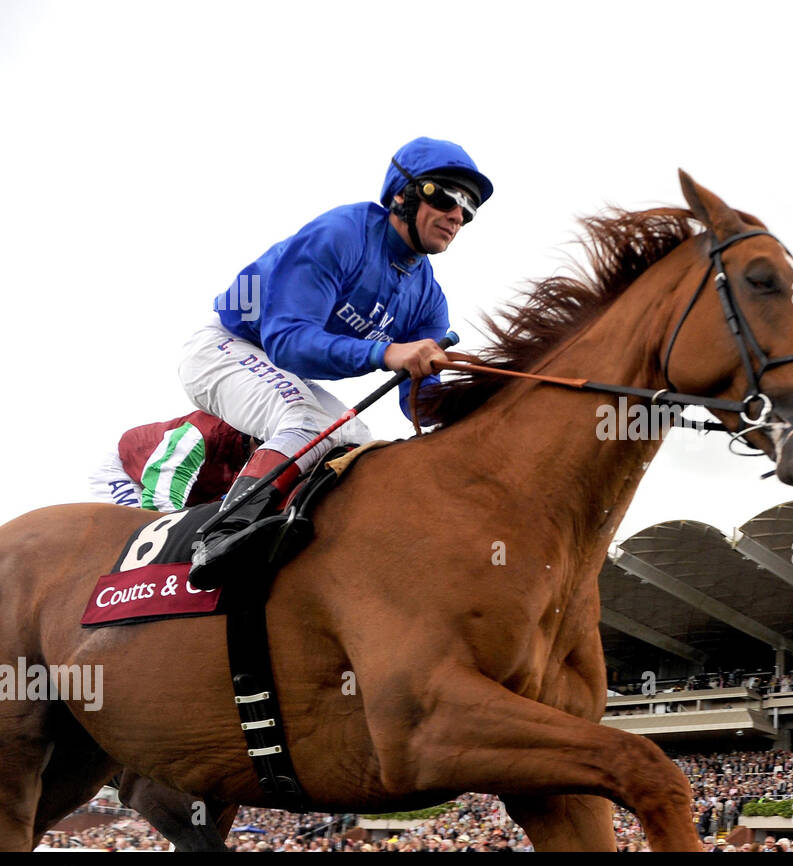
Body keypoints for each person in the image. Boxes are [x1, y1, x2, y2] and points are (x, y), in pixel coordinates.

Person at [178, 137, 492, 587]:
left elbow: (419, 404)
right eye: (447, 196)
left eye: (469, 209)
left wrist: (477, 402)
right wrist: (386, 352)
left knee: (360, 443)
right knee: (308, 422)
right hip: (225, 346)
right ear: (402, 194)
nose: (457, 215)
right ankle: (224, 533)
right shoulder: (342, 234)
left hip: (278, 368)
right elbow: (287, 340)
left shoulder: (428, 299)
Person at [89, 410, 255, 512]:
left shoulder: (249, 457)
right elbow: (159, 503)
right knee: (134, 533)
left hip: (180, 490)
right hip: (127, 469)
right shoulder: (202, 435)